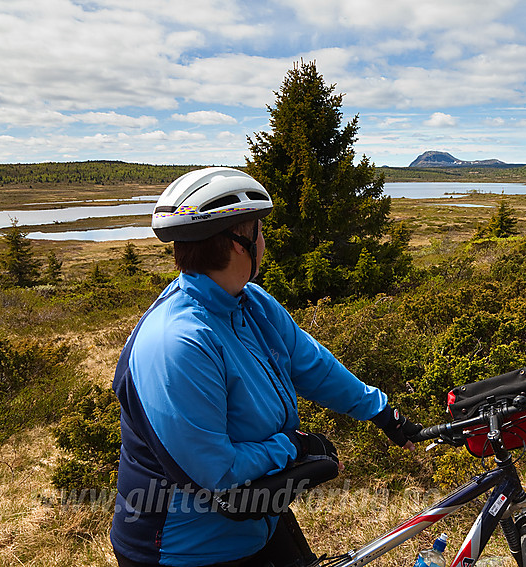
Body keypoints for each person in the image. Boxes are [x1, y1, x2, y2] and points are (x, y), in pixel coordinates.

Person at [111, 167, 420, 567]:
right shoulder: (178, 344)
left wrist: (380, 411)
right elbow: (217, 474)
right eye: (258, 229)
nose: (264, 239)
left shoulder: (249, 302)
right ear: (239, 243)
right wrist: (293, 446)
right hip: (186, 549)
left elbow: (314, 367)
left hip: (256, 521)